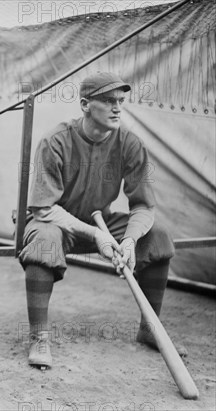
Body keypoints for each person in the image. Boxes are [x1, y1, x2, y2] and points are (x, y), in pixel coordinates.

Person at [19, 72, 183, 369]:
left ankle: (150, 329)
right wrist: (95, 234)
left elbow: (144, 206)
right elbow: (43, 208)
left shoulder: (130, 143)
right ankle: (39, 336)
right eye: (108, 101)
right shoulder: (55, 141)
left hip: (102, 223)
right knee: (43, 240)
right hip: (56, 223)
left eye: (120, 101)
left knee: (157, 235)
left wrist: (130, 241)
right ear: (84, 104)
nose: (117, 108)